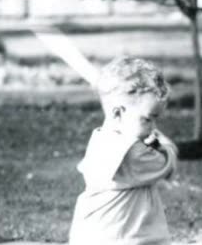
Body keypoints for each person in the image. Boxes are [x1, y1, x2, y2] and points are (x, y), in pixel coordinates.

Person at [68, 57, 178, 245]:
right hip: (121, 239)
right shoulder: (131, 154)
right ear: (117, 113)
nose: (154, 126)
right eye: (148, 119)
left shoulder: (103, 139)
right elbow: (167, 165)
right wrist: (164, 144)